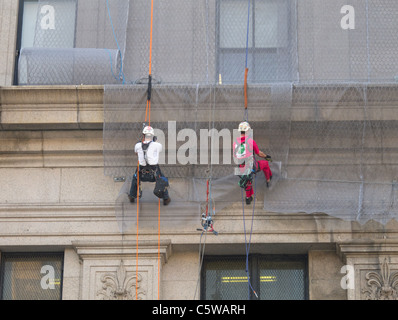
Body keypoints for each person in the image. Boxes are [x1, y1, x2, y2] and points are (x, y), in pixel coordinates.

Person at [128, 126, 171, 205]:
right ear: (152, 136)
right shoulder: (157, 145)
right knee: (162, 179)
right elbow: (159, 150)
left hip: (141, 174)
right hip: (154, 174)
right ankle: (166, 198)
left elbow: (136, 153)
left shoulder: (137, 145)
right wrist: (154, 142)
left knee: (135, 178)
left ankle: (132, 196)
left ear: (143, 135)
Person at [233, 121, 272, 205]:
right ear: (247, 131)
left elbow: (235, 156)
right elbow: (259, 153)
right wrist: (266, 156)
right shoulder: (250, 141)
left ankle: (248, 198)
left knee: (247, 180)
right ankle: (268, 179)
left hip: (241, 167)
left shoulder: (235, 143)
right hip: (251, 166)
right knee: (265, 164)